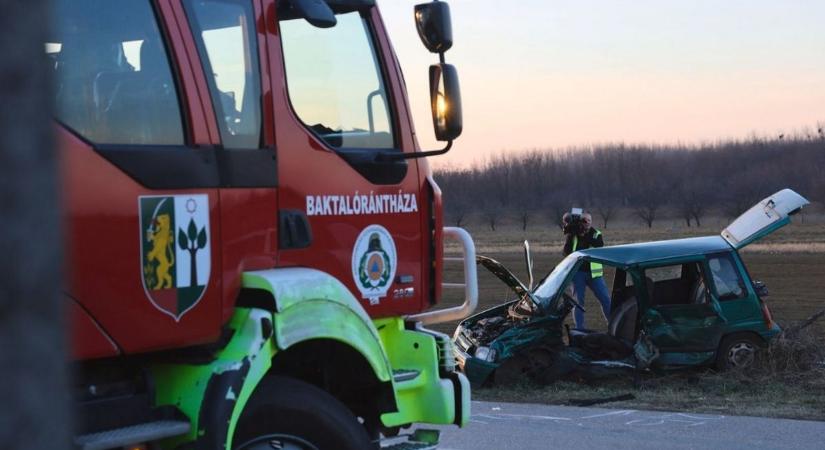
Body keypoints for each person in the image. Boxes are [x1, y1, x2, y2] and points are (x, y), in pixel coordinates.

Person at [562, 211, 611, 329]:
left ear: (591, 221)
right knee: (578, 302)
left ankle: (613, 325)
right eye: (584, 220)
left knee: (606, 300)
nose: (586, 223)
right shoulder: (573, 235)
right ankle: (580, 330)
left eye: (588, 220)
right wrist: (572, 234)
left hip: (594, 274)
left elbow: (599, 245)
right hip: (577, 273)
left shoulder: (596, 233)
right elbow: (566, 252)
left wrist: (585, 235)